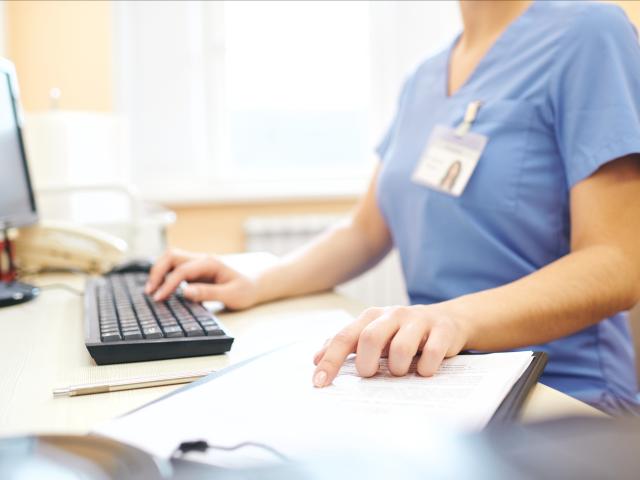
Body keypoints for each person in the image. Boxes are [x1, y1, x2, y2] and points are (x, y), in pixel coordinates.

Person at [146, 0, 640, 415]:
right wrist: (255, 281)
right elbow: (365, 230)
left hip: (562, 395)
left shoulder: (589, 35)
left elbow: (618, 263)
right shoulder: (423, 77)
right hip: (434, 378)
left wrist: (454, 319)